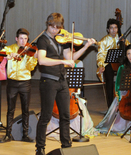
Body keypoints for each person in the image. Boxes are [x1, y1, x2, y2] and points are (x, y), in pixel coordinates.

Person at [35, 12, 95, 155]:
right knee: (45, 116)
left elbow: (71, 58)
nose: (55, 30)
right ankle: (40, 148)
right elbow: (42, 60)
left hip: (62, 80)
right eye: (52, 27)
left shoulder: (63, 39)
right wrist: (62, 61)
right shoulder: (42, 40)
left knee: (65, 115)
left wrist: (86, 47)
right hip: (48, 81)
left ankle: (66, 146)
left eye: (58, 27)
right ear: (47, 24)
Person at [0, 28, 37, 143]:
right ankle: (8, 134)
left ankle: (25, 134)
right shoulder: (9, 48)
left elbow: (31, 68)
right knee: (10, 109)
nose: (23, 41)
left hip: (25, 83)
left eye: (25, 39)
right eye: (21, 38)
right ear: (16, 38)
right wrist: (9, 55)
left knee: (25, 109)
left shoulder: (29, 51)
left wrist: (31, 57)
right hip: (12, 83)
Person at [96, 18, 130, 109]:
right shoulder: (103, 40)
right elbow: (100, 55)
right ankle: (110, 106)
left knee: (128, 77)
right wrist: (101, 65)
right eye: (111, 28)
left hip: (120, 62)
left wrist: (123, 43)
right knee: (109, 82)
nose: (114, 30)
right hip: (108, 63)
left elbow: (129, 48)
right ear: (108, 29)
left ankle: (126, 102)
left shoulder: (121, 37)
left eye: (115, 27)